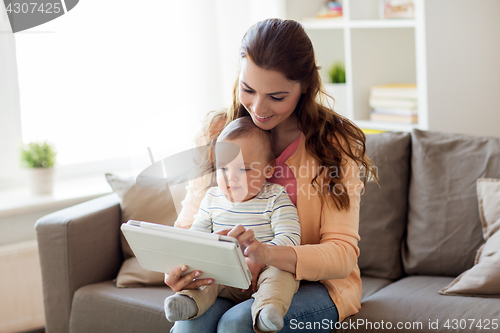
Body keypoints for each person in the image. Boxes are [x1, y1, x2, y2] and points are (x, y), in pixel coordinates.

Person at [165, 18, 376, 333]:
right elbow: (189, 224)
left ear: (305, 88)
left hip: (314, 283)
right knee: (188, 326)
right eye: (249, 90)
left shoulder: (333, 143)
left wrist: (268, 254)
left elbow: (342, 253)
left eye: (276, 96)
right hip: (228, 279)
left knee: (239, 325)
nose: (258, 108)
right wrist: (178, 267)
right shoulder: (217, 132)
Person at [164, 117, 301, 333]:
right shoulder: (211, 198)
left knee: (281, 277)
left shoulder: (275, 197)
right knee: (204, 277)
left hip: (265, 270)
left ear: (268, 169)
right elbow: (195, 239)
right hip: (223, 275)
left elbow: (291, 238)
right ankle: (188, 303)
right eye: (223, 169)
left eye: (244, 170)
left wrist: (262, 255)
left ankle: (267, 311)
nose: (231, 178)